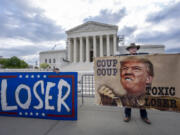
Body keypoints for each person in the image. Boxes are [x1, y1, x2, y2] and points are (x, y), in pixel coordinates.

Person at [123, 43, 153, 124]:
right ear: (129, 50)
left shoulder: (142, 57)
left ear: (136, 49)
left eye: (134, 48)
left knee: (142, 100)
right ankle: (127, 115)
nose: (133, 49)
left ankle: (144, 116)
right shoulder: (125, 57)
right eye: (131, 48)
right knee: (129, 100)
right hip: (130, 81)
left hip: (140, 81)